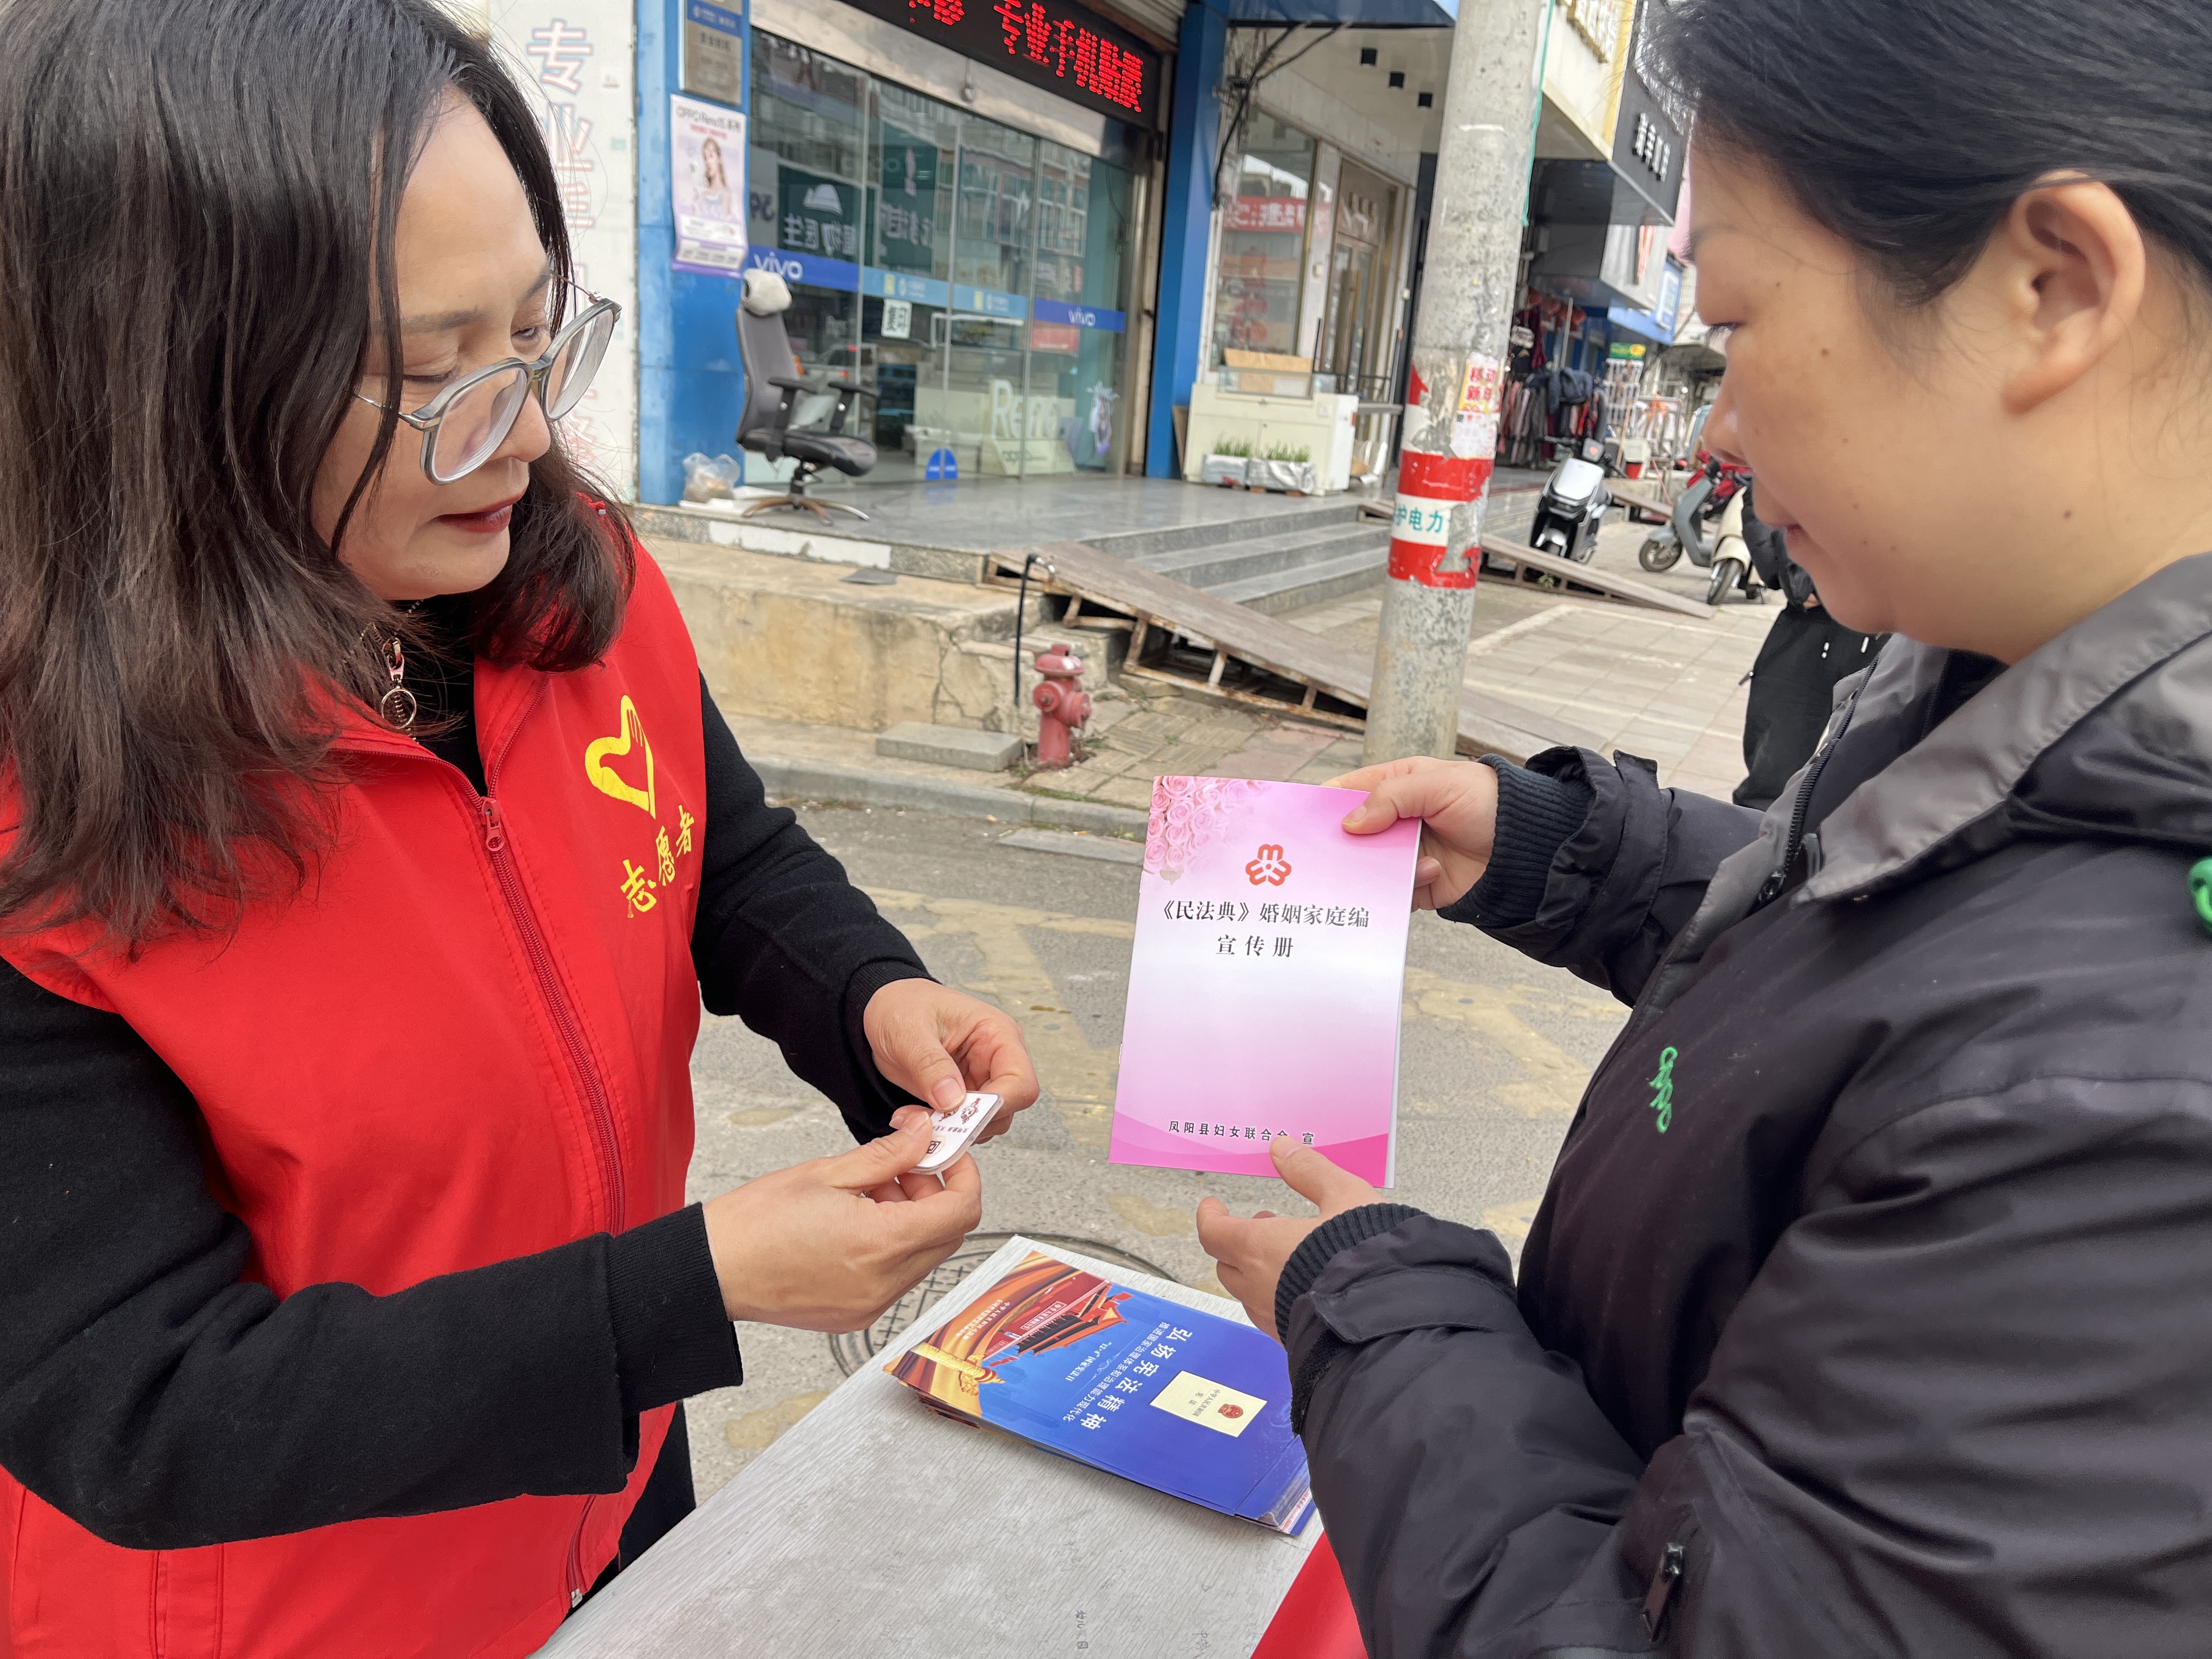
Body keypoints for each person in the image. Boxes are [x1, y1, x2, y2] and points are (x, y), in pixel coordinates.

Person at [0, 4, 1036, 1654]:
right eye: (436, 379)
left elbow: (722, 855)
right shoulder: (43, 816)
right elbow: (142, 1403)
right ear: (169, 386)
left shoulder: (567, 581)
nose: (533, 435)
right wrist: (685, 1295)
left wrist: (869, 999)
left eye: (540, 338)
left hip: (612, 1502)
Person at [1198, 1, 2212, 1652]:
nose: (1719, 429)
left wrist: (1368, 1308)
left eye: (1735, 316)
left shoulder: (2134, 1114)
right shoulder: (2006, 688)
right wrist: (1561, 852)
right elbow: (1896, 954)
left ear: (2055, 288)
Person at [1733, 479, 1881, 809]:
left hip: (1889, 635)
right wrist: (1796, 571)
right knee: (1771, 772)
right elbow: (1765, 491)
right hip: (1808, 631)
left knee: (1863, 780)